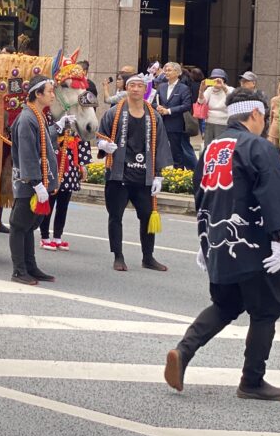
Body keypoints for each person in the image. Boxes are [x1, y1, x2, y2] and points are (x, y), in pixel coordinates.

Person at [164, 89, 280, 401]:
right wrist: (279, 240)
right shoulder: (257, 147)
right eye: (264, 118)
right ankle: (252, 380)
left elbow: (202, 195)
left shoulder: (212, 147)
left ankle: (183, 352)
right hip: (255, 245)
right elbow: (273, 194)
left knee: (225, 304)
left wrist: (204, 240)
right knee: (266, 311)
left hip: (218, 241)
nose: (265, 124)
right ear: (254, 115)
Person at [97, 74, 173, 272]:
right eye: (133, 85)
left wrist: (158, 174)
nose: (136, 89)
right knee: (116, 216)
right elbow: (100, 135)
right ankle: (118, 255)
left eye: (140, 86)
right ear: (127, 89)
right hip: (118, 174)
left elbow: (161, 145)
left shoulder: (154, 116)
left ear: (145, 89)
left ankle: (148, 257)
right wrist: (103, 145)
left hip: (143, 175)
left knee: (147, 216)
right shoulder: (114, 113)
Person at [9, 75, 62, 285]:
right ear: (37, 94)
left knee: (29, 225)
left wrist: (58, 127)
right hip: (29, 183)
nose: (52, 95)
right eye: (49, 91)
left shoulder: (37, 115)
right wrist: (36, 182)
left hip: (38, 181)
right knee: (19, 224)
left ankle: (30, 266)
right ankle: (18, 270)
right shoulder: (26, 118)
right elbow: (27, 153)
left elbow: (42, 140)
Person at [41, 115, 91, 251]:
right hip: (55, 160)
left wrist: (82, 164)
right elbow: (45, 135)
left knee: (63, 204)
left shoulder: (78, 116)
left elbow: (83, 139)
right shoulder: (51, 114)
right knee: (50, 202)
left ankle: (58, 236)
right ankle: (44, 236)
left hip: (71, 163)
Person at [156, 61, 196, 170]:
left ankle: (178, 174)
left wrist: (168, 111)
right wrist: (158, 107)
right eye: (165, 70)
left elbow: (187, 105)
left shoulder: (183, 88)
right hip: (160, 122)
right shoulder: (161, 86)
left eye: (169, 70)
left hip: (175, 123)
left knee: (176, 151)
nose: (166, 73)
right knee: (157, 148)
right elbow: (155, 101)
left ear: (178, 72)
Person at [201, 69, 233, 145]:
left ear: (224, 79)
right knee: (208, 146)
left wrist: (223, 88)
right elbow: (201, 102)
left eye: (219, 78)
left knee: (221, 146)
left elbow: (232, 101)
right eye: (214, 78)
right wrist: (201, 89)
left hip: (224, 122)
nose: (216, 80)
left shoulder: (230, 89)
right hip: (209, 122)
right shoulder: (209, 90)